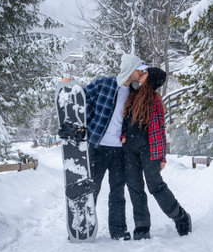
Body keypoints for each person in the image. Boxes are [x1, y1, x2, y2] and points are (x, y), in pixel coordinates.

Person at [64, 53, 148, 240]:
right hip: (97, 147)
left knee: (117, 191)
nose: (142, 73)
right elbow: (80, 98)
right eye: (139, 69)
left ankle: (118, 231)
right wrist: (70, 85)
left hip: (120, 151)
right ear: (130, 69)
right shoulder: (104, 84)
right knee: (91, 189)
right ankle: (82, 227)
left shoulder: (135, 93)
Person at [121, 67, 192, 240]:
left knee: (155, 186)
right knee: (134, 188)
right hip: (129, 149)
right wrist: (123, 135)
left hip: (149, 149)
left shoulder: (155, 101)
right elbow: (124, 122)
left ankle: (180, 216)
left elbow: (159, 130)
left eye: (145, 74)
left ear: (150, 79)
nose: (142, 74)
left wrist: (162, 157)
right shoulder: (131, 94)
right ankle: (142, 227)